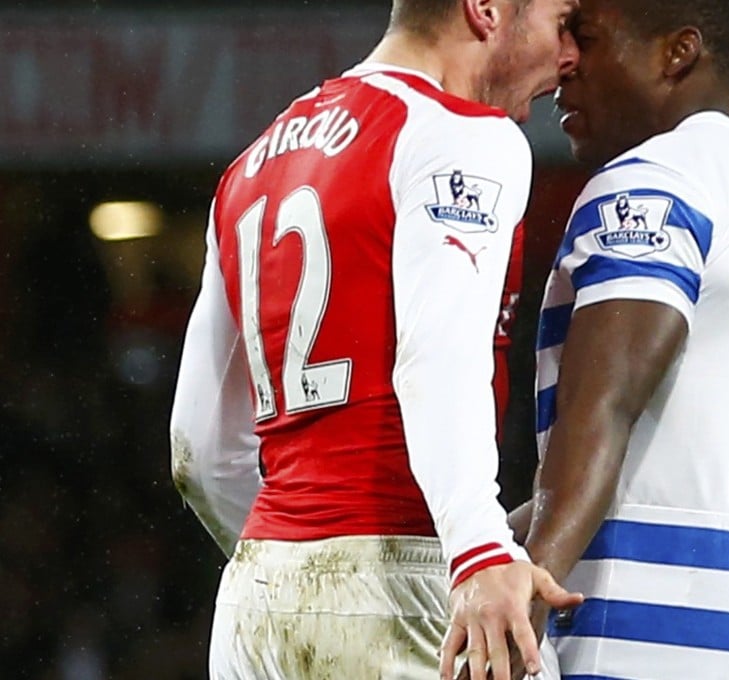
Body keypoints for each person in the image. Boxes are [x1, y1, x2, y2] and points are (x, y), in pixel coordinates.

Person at [168, 1, 584, 678]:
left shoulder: (249, 168)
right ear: (485, 9)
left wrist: (295, 561)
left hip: (253, 604)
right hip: (405, 580)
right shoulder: (461, 135)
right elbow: (437, 358)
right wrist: (479, 548)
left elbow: (199, 452)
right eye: (561, 22)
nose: (571, 57)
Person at [506, 0, 729, 677]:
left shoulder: (653, 181)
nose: (565, 63)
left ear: (677, 53)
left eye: (590, 39)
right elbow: (668, 466)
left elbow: (604, 411)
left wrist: (527, 590)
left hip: (650, 618)